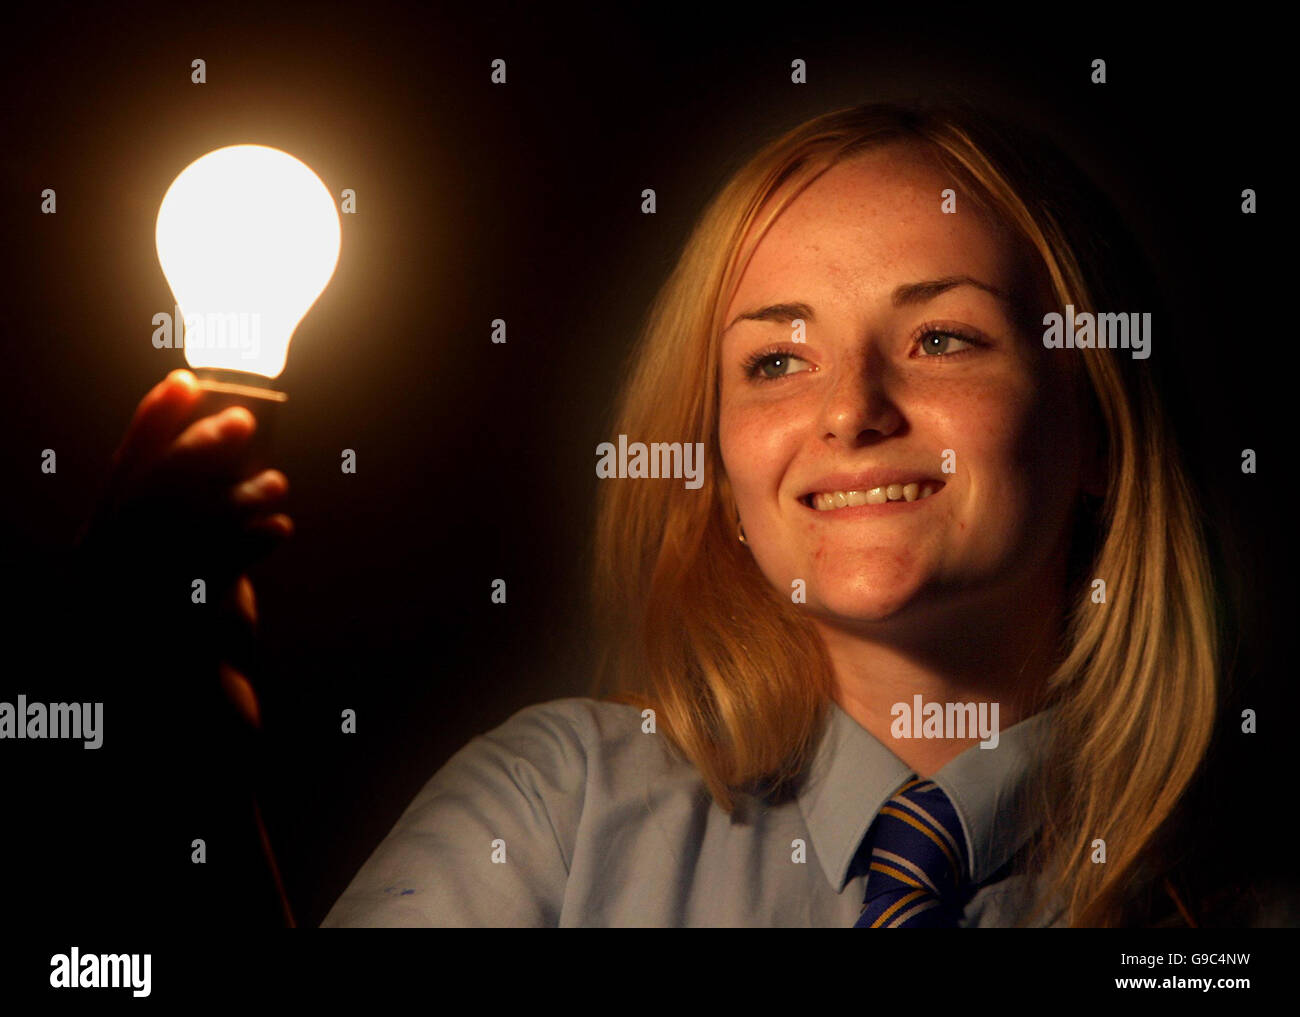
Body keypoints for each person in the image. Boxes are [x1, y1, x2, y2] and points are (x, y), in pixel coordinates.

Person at [316, 101, 1230, 927]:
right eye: (777, 362)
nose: (851, 410)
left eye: (942, 339)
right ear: (719, 462)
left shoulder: (1242, 902)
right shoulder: (553, 806)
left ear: (1101, 427)